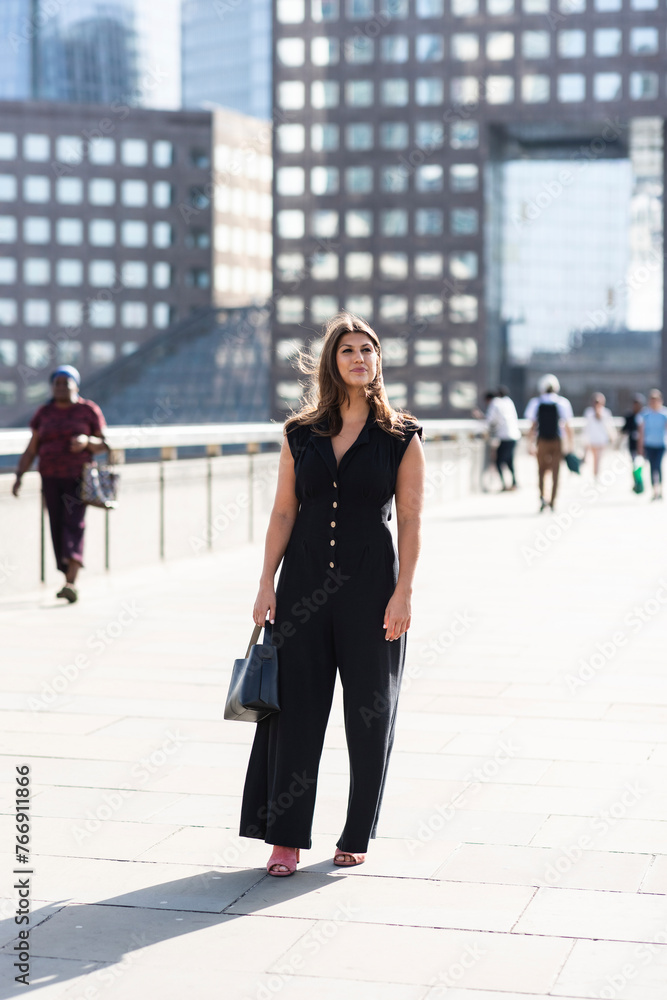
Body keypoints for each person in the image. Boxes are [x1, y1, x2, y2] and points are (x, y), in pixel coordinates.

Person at [239, 313, 425, 875]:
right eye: (348, 350)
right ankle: (285, 839)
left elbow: (411, 520)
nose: (359, 358)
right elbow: (283, 511)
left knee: (369, 713)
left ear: (378, 361)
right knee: (294, 713)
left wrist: (404, 593)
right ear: (331, 361)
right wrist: (266, 581)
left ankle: (356, 832)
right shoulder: (300, 433)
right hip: (301, 588)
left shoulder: (401, 436)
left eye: (367, 349)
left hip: (372, 592)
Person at [12, 365, 107, 602]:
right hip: (50, 478)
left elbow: (104, 444)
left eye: (66, 383)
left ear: (76, 385)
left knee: (74, 524)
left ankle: (71, 582)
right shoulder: (44, 412)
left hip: (78, 478)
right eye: (57, 383)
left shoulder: (88, 410)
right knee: (56, 525)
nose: (62, 387)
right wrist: (19, 475)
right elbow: (32, 448)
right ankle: (67, 576)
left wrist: (86, 441)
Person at [524, 374, 574, 513]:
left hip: (542, 441)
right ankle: (553, 501)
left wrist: (530, 444)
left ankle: (542, 497)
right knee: (555, 471)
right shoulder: (562, 402)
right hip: (557, 441)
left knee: (541, 470)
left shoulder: (536, 402)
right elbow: (567, 426)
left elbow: (532, 426)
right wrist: (570, 444)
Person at [485, 386, 521, 490]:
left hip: (504, 437)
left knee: (498, 462)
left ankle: (505, 485)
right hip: (514, 436)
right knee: (510, 461)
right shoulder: (509, 402)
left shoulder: (495, 402)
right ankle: (514, 483)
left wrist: (480, 418)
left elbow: (490, 420)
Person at [637, 389, 667, 501]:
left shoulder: (664, 414)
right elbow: (641, 432)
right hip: (649, 444)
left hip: (660, 445)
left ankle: (660, 489)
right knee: (652, 467)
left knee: (658, 466)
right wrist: (640, 447)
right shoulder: (646, 414)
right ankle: (654, 490)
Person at [582, 392, 616, 480]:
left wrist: (612, 437)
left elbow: (609, 426)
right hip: (592, 440)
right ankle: (595, 475)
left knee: (598, 459)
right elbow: (586, 428)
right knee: (595, 459)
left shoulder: (606, 413)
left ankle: (596, 475)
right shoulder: (589, 413)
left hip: (601, 441)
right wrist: (585, 442)